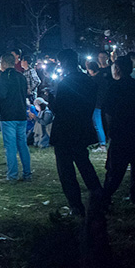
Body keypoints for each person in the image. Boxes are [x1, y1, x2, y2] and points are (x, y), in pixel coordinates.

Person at [49, 49, 102, 216]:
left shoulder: (65, 83)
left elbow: (59, 108)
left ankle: (76, 206)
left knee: (66, 170)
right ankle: (100, 199)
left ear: (64, 63)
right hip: (82, 128)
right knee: (84, 164)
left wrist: (50, 99)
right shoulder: (88, 80)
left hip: (65, 131)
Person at [102, 56, 135, 205]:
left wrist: (110, 131)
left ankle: (106, 196)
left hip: (120, 131)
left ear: (117, 69)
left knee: (115, 168)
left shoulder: (114, 87)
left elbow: (108, 112)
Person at [0, 54, 32, 181]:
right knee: (22, 144)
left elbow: (3, 94)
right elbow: (25, 93)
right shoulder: (21, 76)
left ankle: (12, 175)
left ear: (4, 63)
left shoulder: (4, 77)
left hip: (8, 115)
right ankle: (27, 173)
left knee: (10, 146)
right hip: (21, 113)